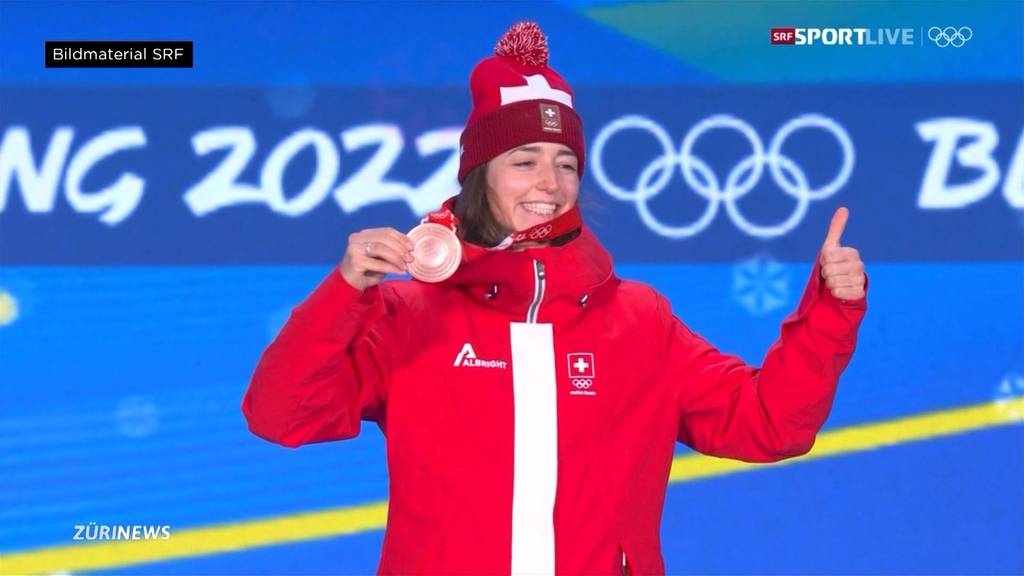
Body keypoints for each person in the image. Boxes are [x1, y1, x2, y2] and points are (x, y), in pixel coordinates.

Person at [242, 21, 868, 576]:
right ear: (478, 176)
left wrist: (829, 315)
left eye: (566, 163)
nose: (549, 182)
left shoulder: (638, 322)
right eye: (524, 161)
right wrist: (345, 293)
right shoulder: (411, 317)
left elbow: (769, 423)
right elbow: (280, 414)